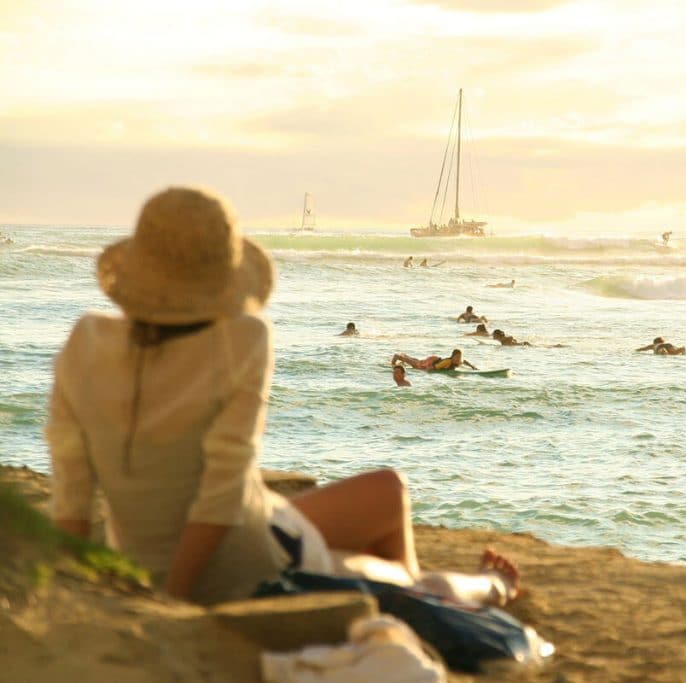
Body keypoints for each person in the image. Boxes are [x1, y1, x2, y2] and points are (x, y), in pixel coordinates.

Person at [45, 186, 518, 607]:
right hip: (243, 561)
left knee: (386, 492)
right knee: (402, 578)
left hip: (148, 548)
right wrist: (173, 601)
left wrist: (80, 588)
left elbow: (72, 497)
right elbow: (221, 495)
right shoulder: (242, 336)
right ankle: (488, 588)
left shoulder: (85, 340)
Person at [391, 348, 477, 371]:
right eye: (457, 357)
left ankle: (405, 355)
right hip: (431, 362)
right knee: (417, 365)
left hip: (434, 359)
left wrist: (472, 366)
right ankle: (398, 356)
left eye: (459, 357)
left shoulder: (457, 362)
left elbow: (464, 361)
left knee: (419, 362)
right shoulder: (448, 361)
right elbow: (432, 368)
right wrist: (422, 371)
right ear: (453, 356)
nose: (459, 359)